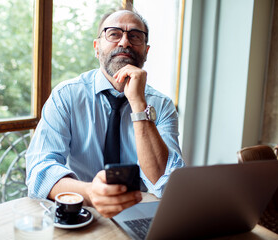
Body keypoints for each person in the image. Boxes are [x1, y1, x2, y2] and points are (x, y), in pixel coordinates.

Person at [25, 9, 184, 218]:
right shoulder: (66, 96)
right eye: (114, 34)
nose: (124, 42)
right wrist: (90, 192)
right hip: (83, 212)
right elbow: (39, 171)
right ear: (96, 47)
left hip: (144, 214)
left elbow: (166, 183)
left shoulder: (161, 105)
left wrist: (138, 104)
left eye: (134, 36)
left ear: (146, 50)